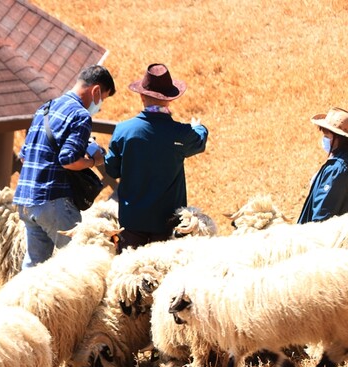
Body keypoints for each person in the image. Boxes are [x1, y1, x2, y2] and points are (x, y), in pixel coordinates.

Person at [13, 65, 116, 268]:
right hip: (53, 201)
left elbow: (24, 156)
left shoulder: (45, 109)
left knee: (34, 266)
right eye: (103, 98)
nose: (100, 105)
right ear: (95, 91)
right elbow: (69, 160)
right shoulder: (80, 115)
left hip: (25, 199)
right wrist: (95, 160)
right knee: (74, 266)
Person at [104, 63, 208, 252]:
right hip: (168, 224)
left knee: (130, 275)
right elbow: (199, 141)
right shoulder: (181, 133)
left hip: (132, 223)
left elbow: (112, 169)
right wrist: (199, 127)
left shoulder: (124, 130)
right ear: (169, 100)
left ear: (142, 96)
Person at [297, 107, 348, 224]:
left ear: (338, 137)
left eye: (327, 136)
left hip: (332, 240)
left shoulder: (336, 170)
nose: (324, 139)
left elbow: (321, 218)